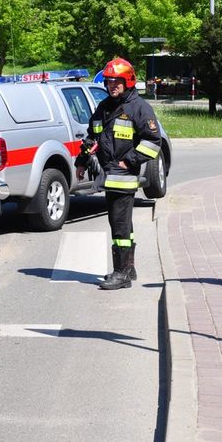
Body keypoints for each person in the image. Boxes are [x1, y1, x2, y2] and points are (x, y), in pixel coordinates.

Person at [75, 57, 161, 291]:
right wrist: (81, 161)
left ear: (128, 81)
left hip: (123, 177)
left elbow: (153, 142)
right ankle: (128, 269)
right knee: (122, 224)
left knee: (120, 226)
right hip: (109, 176)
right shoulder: (105, 107)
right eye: (109, 81)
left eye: (117, 82)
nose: (112, 85)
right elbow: (92, 136)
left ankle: (121, 273)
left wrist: (129, 161)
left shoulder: (139, 108)